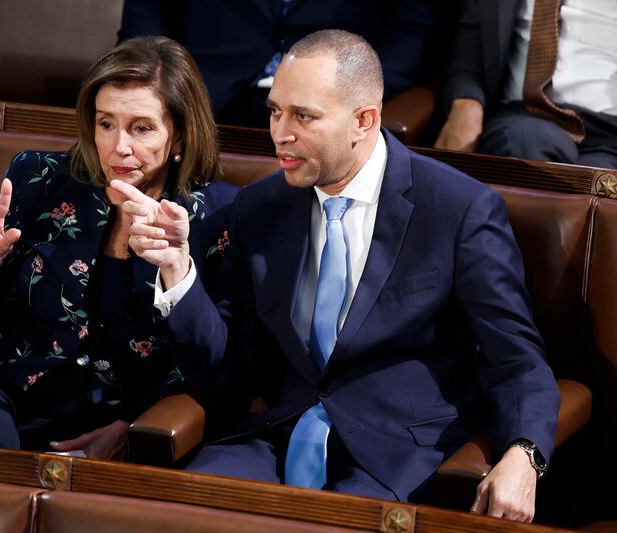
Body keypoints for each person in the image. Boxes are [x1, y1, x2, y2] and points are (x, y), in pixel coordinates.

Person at [114, 30, 560, 521]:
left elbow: (515, 359)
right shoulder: (259, 209)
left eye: (303, 116)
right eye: (274, 111)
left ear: (364, 121)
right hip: (274, 438)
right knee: (180, 516)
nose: (280, 133)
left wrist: (525, 454)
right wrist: (179, 272)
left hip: (399, 457)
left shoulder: (459, 210)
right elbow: (225, 370)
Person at [0, 36, 237, 458]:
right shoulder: (39, 178)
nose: (118, 146)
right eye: (106, 123)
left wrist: (131, 426)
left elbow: (216, 368)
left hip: (122, 415)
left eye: (141, 128)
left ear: (179, 137)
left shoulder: (221, 217)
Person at [118, 0, 447, 128]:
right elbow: (147, 12)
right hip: (199, 95)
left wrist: (353, 96)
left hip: (330, 104)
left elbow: (412, 33)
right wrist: (155, 82)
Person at [435, 0, 617, 169]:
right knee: (523, 146)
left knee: (601, 188)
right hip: (529, 115)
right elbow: (468, 53)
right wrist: (466, 104)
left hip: (609, 130)